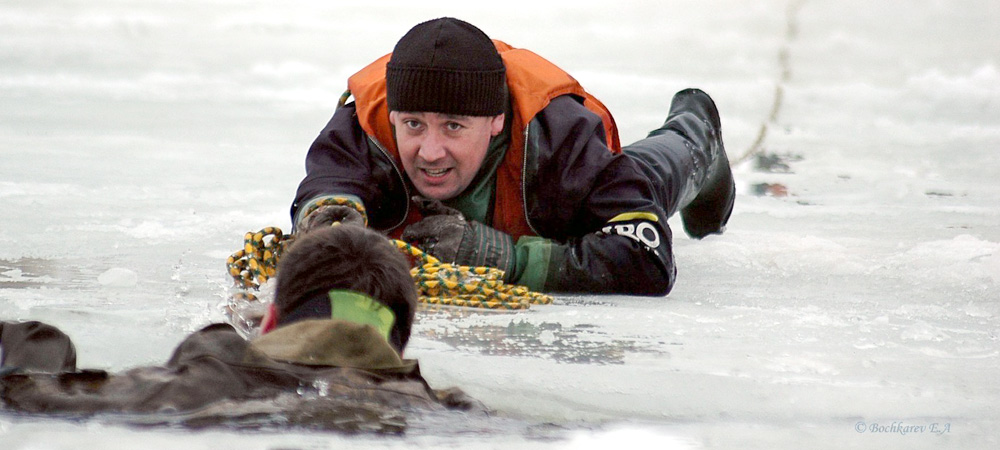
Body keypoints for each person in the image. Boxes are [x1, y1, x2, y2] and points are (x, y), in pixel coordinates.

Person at [292, 17, 735, 296]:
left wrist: (508, 260)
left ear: (496, 121)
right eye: (413, 125)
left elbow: (647, 259)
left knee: (658, 172)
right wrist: (327, 215)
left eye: (453, 126)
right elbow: (331, 183)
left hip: (584, 191)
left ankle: (698, 128)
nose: (429, 151)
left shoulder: (563, 142)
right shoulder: (364, 130)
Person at [0, 225, 479, 433]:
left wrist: (31, 344)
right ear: (397, 346)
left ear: (268, 322)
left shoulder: (205, 381)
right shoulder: (449, 415)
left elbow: (18, 393)